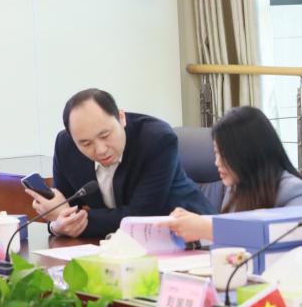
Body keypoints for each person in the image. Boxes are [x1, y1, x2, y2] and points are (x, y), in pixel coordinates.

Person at [26, 88, 213, 238]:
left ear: (121, 118)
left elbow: (141, 215)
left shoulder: (156, 139)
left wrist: (68, 217)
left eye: (105, 135)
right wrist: (57, 225)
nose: (100, 149)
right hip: (116, 245)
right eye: (86, 143)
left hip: (188, 240)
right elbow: (63, 206)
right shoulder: (66, 145)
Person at [164, 106, 302, 242]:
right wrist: (193, 223)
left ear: (249, 153)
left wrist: (209, 229)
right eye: (216, 153)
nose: (217, 162)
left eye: (225, 155)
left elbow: (300, 235)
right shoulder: (237, 186)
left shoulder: (296, 190)